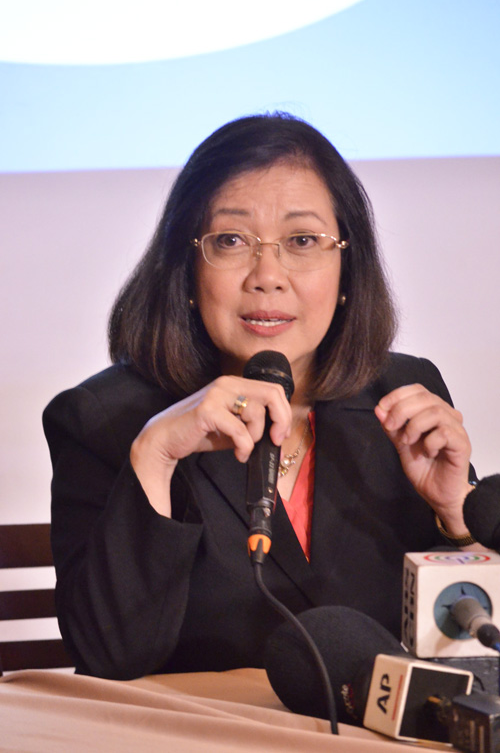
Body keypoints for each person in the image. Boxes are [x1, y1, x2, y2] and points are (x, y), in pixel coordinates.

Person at [43, 112, 478, 682]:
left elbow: (470, 649)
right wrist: (155, 456)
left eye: (302, 241)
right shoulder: (104, 420)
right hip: (197, 728)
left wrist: (455, 517)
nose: (267, 275)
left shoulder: (399, 396)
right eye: (231, 241)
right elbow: (106, 658)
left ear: (347, 270)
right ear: (186, 271)